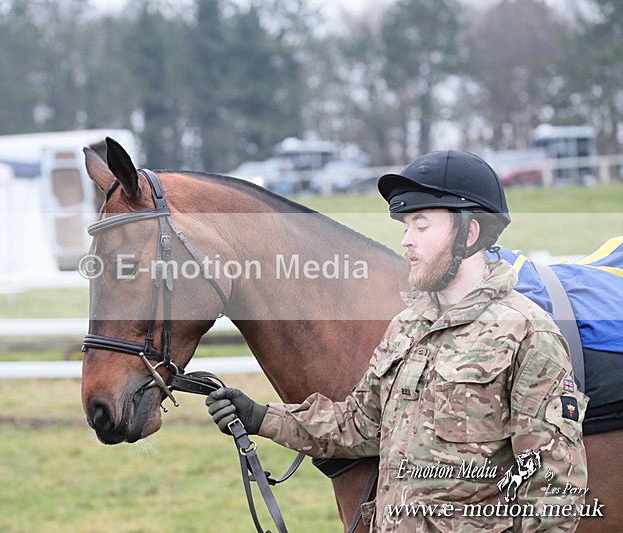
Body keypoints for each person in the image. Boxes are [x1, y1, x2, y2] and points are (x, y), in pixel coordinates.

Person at [206, 150, 588, 532]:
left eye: (421, 227)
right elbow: (358, 426)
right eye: (406, 226)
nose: (406, 241)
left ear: (470, 234)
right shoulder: (406, 326)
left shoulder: (527, 333)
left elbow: (553, 490)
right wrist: (261, 417)